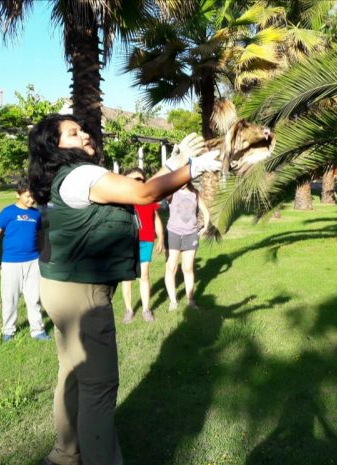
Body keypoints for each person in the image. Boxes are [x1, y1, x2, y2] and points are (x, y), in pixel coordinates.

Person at [27, 113, 219, 465]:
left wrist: (173, 164)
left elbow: (133, 194)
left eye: (82, 129)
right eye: (73, 133)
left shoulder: (66, 177)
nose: (84, 134)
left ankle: (64, 455)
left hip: (58, 286)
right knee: (98, 386)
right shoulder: (83, 174)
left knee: (71, 373)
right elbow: (144, 194)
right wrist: (192, 169)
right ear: (54, 147)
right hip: (81, 294)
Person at [0, 179, 50, 342]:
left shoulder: (36, 214)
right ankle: (8, 331)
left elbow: (40, 236)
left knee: (33, 298)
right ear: (17, 194)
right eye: (27, 196)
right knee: (10, 298)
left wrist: (43, 253)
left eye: (33, 197)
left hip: (33, 262)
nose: (31, 200)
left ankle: (38, 330)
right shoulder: (8, 212)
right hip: (11, 263)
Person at [119, 167, 165, 324]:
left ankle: (146, 309)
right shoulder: (122, 199)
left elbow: (156, 218)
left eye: (140, 179)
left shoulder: (149, 199)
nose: (138, 182)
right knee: (127, 277)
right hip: (127, 241)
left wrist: (161, 237)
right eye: (133, 179)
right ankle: (129, 310)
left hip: (146, 240)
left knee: (144, 275)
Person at [164, 183, 210, 311]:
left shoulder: (195, 193)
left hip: (191, 234)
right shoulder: (172, 192)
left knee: (188, 267)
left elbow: (206, 212)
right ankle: (173, 301)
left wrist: (205, 227)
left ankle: (190, 300)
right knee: (171, 267)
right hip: (173, 233)